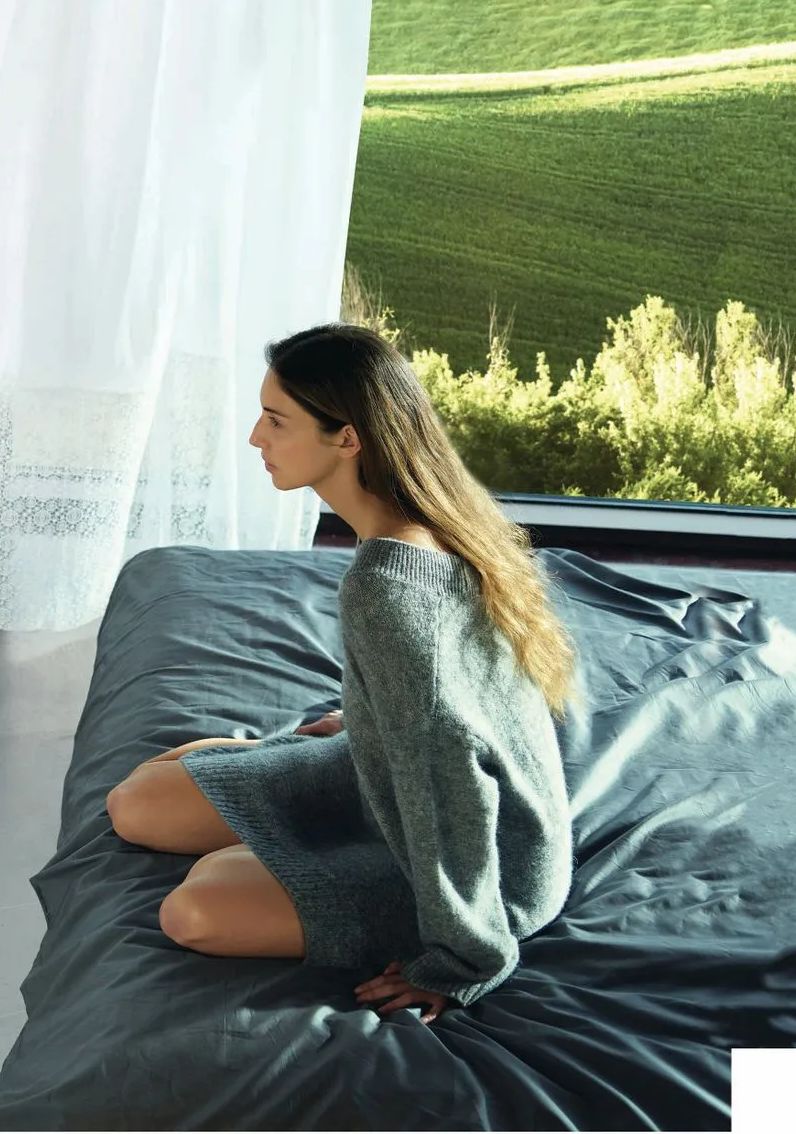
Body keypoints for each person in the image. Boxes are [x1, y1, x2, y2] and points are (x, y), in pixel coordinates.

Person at [102, 322, 576, 1023]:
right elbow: (443, 691)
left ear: (347, 437)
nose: (256, 439)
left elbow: (446, 775)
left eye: (276, 420)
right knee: (137, 805)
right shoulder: (429, 522)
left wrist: (461, 957)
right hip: (380, 771)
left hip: (483, 860)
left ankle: (309, 836)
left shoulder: (389, 587)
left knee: (196, 907)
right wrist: (362, 720)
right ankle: (297, 787)